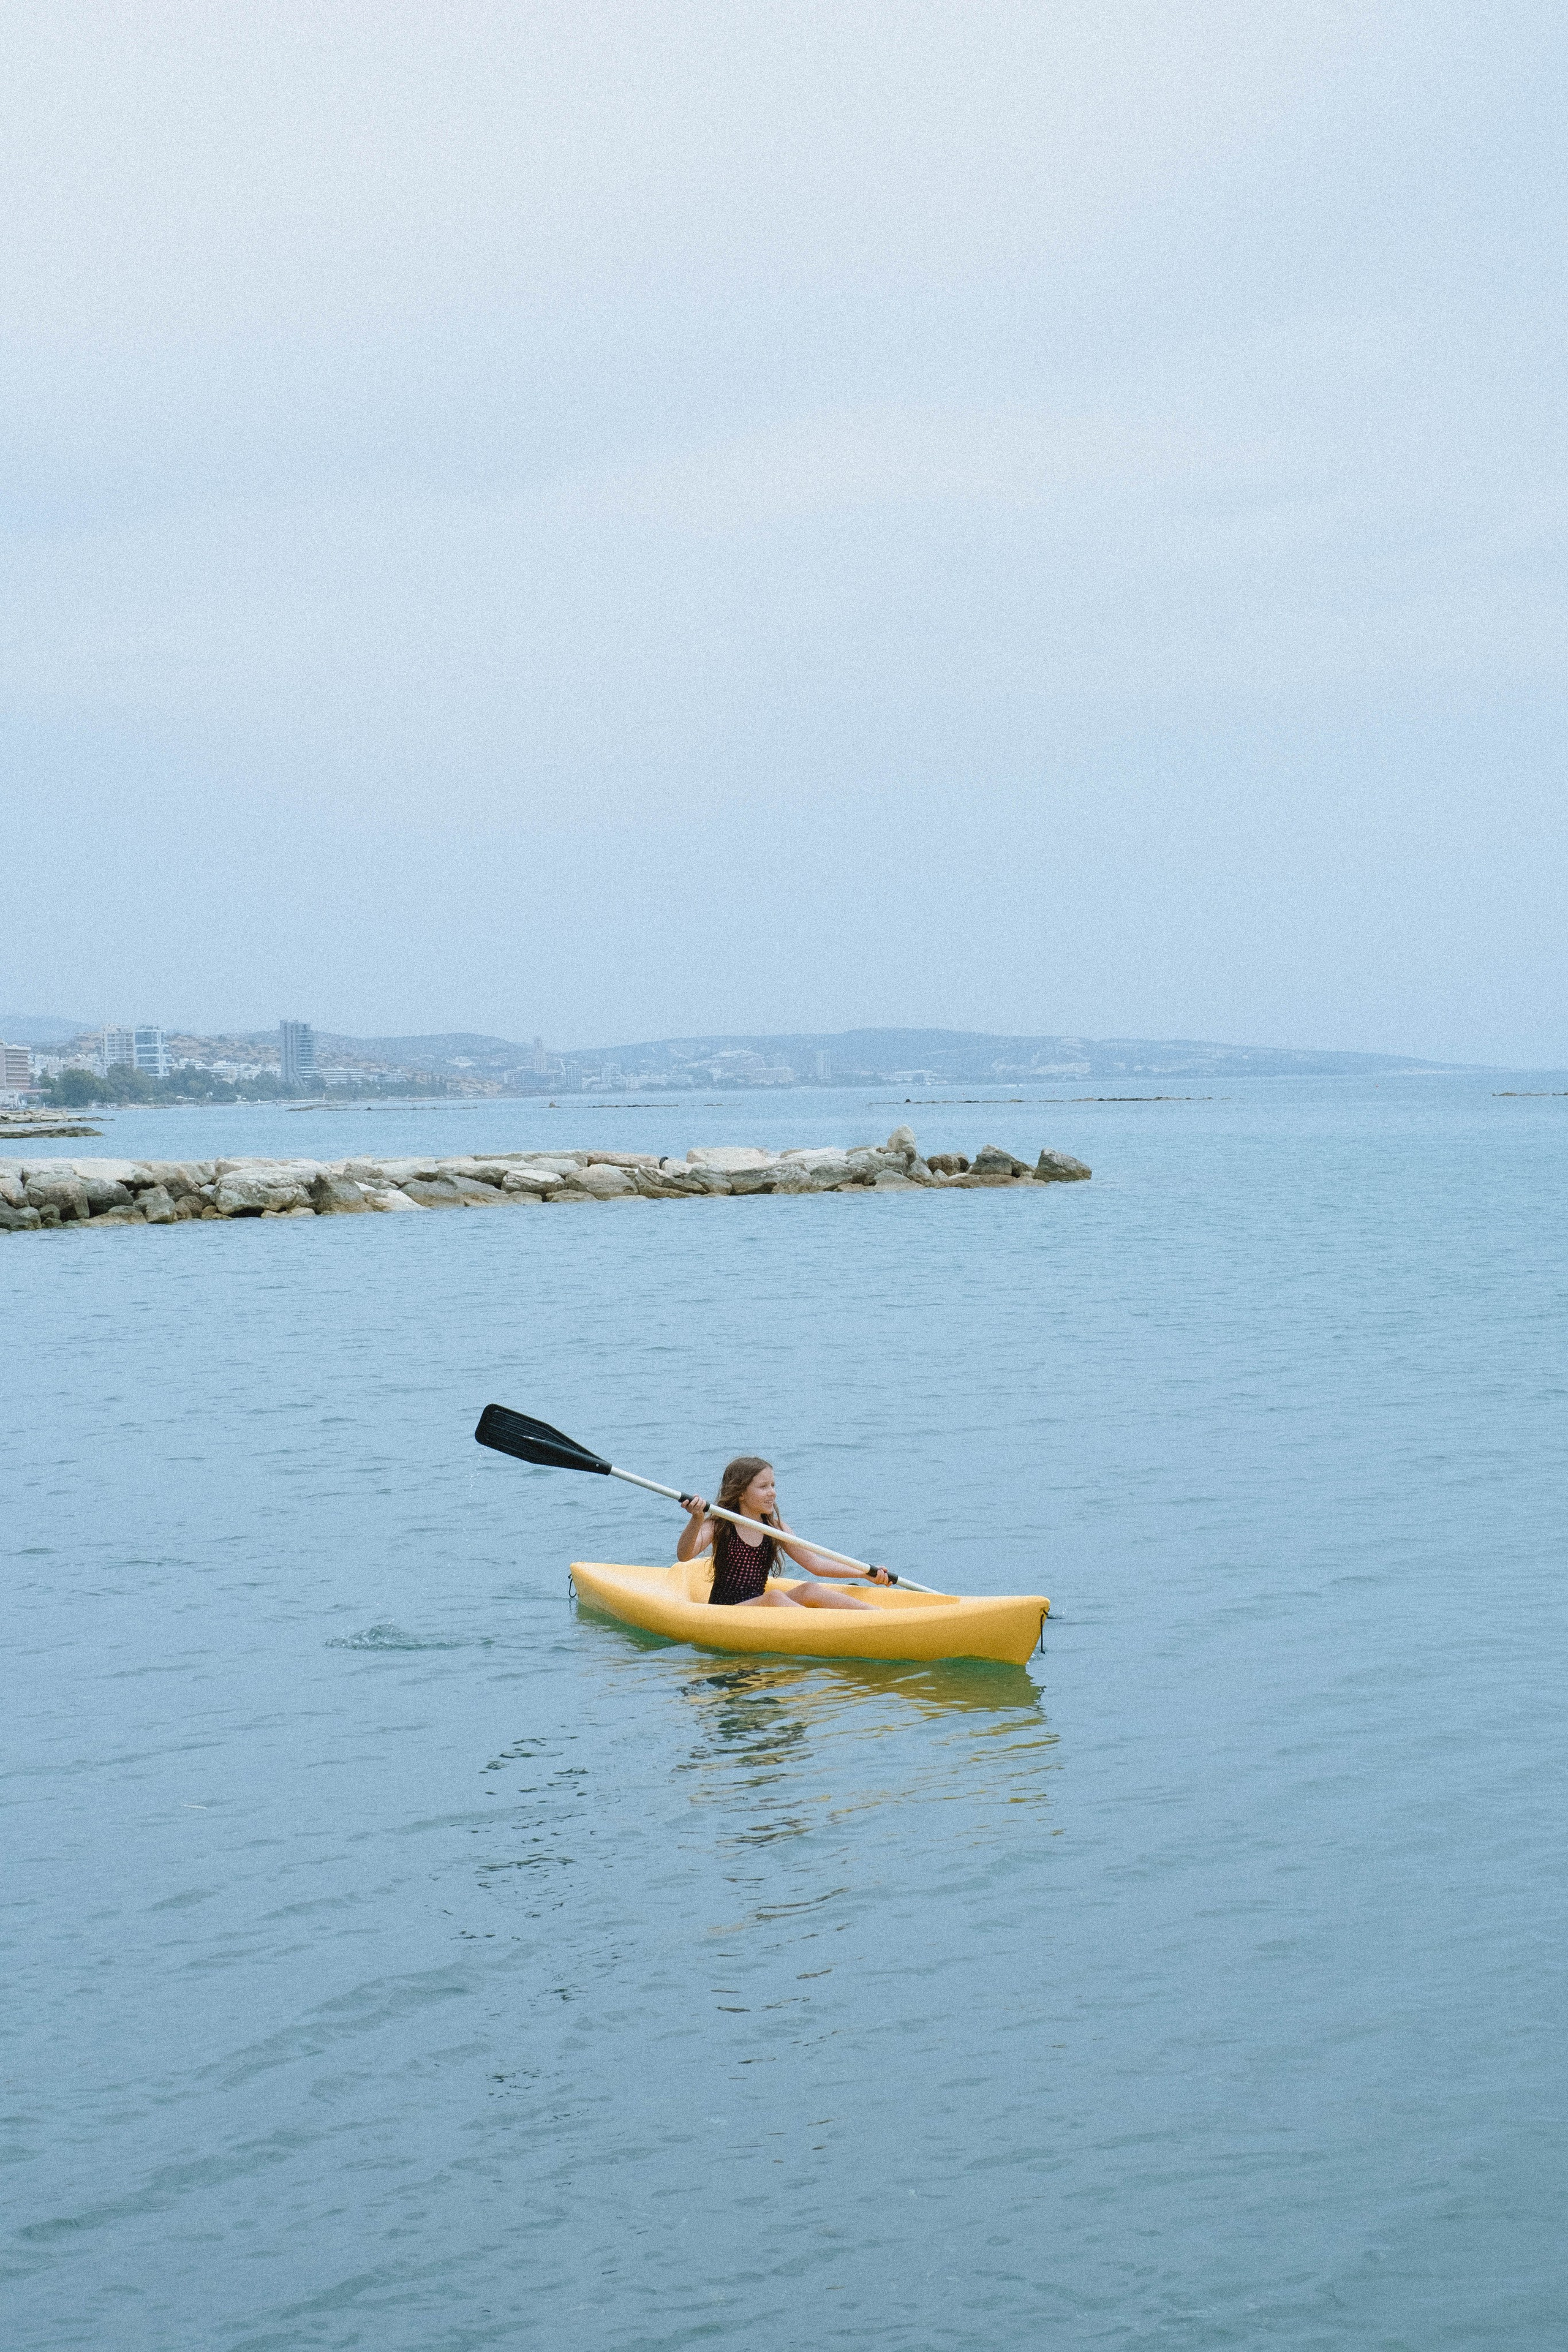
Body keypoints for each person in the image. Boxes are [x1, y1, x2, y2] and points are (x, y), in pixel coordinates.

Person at [677, 1455, 892, 1609]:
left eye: (773, 1485)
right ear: (741, 1493)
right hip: (726, 1611)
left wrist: (864, 1573)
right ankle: (823, 1631)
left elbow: (816, 1565)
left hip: (760, 1607)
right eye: (763, 1487)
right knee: (775, 1598)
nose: (773, 1493)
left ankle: (876, 1617)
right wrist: (697, 1518)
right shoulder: (720, 1525)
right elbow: (684, 1555)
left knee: (810, 1589)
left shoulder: (776, 1529)